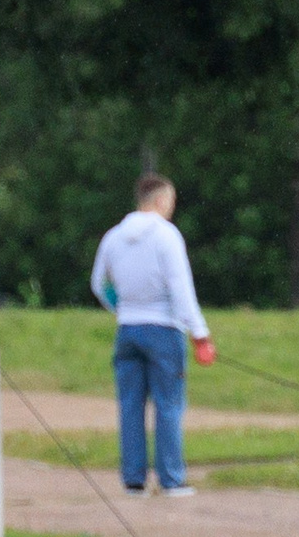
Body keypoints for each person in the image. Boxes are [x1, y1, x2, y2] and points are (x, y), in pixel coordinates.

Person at [90, 173, 212, 498]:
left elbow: (99, 283)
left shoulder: (113, 237)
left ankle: (134, 481)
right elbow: (181, 288)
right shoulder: (166, 236)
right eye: (171, 201)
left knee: (130, 405)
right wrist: (200, 333)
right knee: (168, 405)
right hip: (164, 329)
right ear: (161, 200)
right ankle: (171, 479)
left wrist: (121, 308)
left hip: (127, 329)